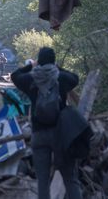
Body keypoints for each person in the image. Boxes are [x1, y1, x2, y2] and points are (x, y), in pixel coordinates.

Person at [11, 47, 82, 199]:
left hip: (38, 135)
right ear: (53, 61)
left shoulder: (30, 78)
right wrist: (57, 67)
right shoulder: (61, 78)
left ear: (39, 61)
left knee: (42, 181)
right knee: (70, 179)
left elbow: (15, 75)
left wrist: (31, 65)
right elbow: (75, 78)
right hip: (60, 136)